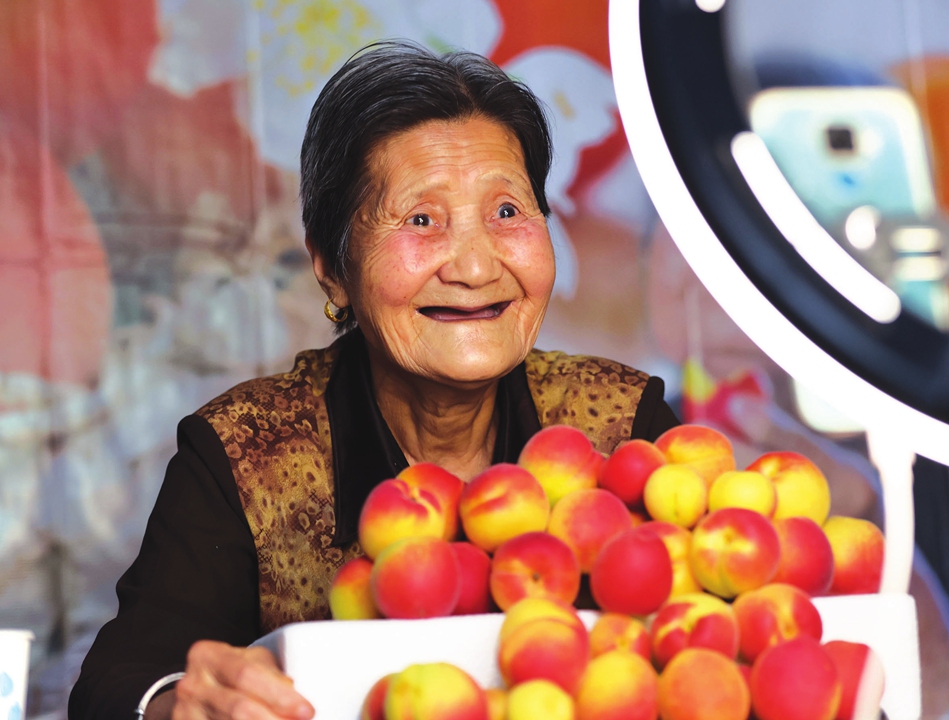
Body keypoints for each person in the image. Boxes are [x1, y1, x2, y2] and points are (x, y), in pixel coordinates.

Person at [68, 41, 678, 720]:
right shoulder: (245, 454)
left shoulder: (625, 426)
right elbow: (117, 683)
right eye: (421, 220)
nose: (476, 268)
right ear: (332, 266)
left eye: (508, 212)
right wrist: (179, 701)